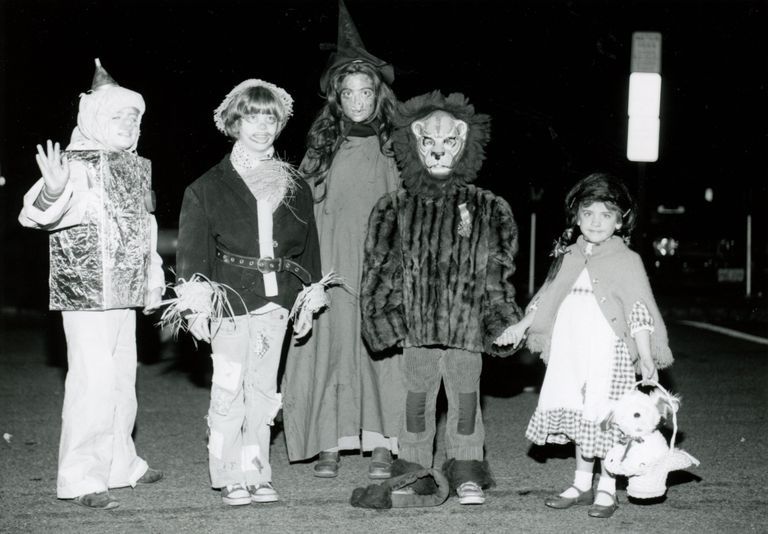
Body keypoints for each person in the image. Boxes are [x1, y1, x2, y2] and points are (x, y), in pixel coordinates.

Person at [361, 91, 523, 506]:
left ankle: (466, 469)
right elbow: (381, 270)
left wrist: (501, 320)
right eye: (427, 141)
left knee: (466, 399)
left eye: (448, 141)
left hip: (466, 329)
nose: (437, 150)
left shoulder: (488, 207)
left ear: (465, 143)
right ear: (412, 143)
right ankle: (415, 470)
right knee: (416, 402)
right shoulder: (393, 207)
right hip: (418, 330)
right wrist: (383, 318)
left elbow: (498, 274)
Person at [18, 59, 165, 510]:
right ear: (96, 118)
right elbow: (36, 213)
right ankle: (82, 476)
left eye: (134, 117)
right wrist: (53, 190)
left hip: (122, 293)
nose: (127, 124)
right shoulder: (75, 164)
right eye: (117, 115)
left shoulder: (134, 166)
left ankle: (121, 464)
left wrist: (153, 279)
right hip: (85, 294)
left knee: (122, 379)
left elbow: (146, 228)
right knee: (93, 382)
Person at [175, 79, 321, 506]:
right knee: (229, 389)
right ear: (233, 123)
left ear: (280, 124)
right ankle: (227, 474)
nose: (261, 128)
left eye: (270, 119)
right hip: (230, 303)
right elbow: (192, 253)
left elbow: (309, 248)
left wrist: (308, 300)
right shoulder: (206, 187)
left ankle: (257, 471)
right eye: (251, 118)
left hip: (275, 305)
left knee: (263, 393)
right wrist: (196, 307)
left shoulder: (297, 185)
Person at [502, 172, 674, 518]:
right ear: (576, 217)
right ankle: (581, 483)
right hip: (571, 352)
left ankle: (607, 489)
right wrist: (521, 325)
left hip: (608, 354)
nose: (596, 222)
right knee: (582, 419)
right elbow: (546, 297)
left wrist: (644, 355)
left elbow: (639, 311)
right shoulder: (568, 255)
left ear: (620, 221)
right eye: (588, 213)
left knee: (607, 420)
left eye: (606, 215)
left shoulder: (627, 261)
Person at [281, 0, 403, 480]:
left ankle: (380, 443)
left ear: (377, 94)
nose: (357, 99)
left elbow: (411, 206)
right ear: (336, 96)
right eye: (347, 91)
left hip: (378, 267)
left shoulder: (396, 146)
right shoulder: (321, 147)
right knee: (329, 353)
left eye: (365, 90)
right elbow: (296, 208)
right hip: (330, 269)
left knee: (381, 356)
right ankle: (328, 441)